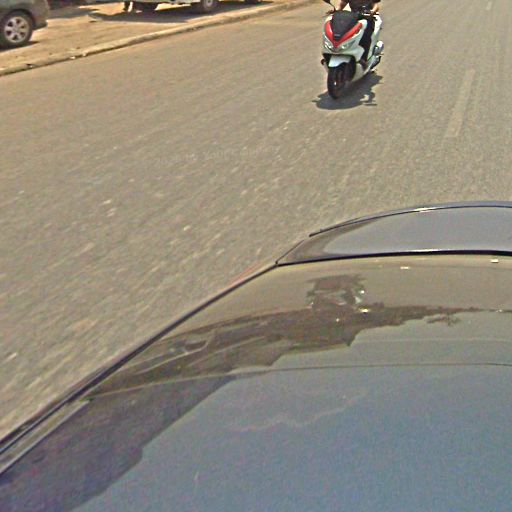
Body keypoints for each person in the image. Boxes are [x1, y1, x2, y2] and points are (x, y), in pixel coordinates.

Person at [338, 0, 381, 66]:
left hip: (367, 19)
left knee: (365, 36)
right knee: (344, 33)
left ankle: (364, 59)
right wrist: (336, 11)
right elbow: (341, 4)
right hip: (353, 18)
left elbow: (375, 5)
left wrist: (372, 11)